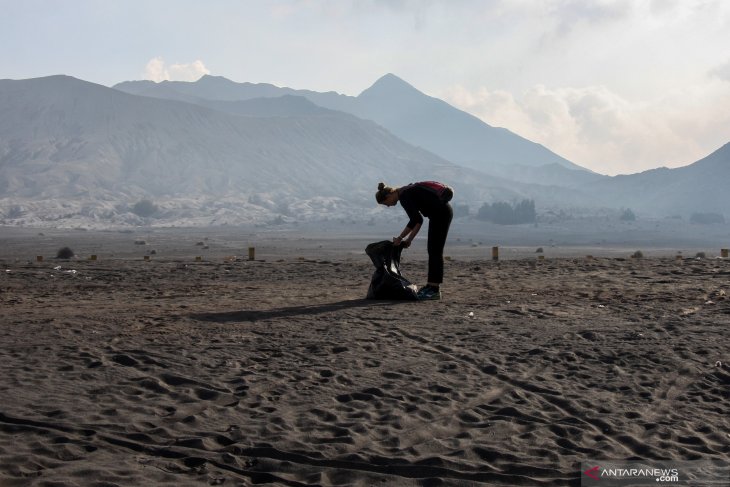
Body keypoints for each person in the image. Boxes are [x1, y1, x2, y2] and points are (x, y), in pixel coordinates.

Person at [375, 181, 453, 300]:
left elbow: (415, 220)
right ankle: (431, 285)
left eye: (386, 204)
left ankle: (434, 290)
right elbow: (418, 220)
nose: (389, 206)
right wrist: (408, 240)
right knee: (432, 250)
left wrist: (401, 238)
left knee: (435, 251)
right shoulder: (405, 192)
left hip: (441, 214)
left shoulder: (404, 196)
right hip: (438, 214)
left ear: (388, 196)